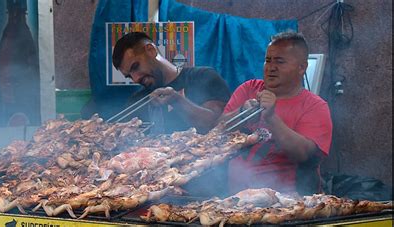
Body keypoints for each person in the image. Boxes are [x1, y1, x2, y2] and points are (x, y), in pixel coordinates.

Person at [221, 31, 333, 196]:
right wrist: (242, 112)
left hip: (287, 205)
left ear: (302, 67)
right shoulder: (249, 89)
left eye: (280, 62)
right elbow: (219, 129)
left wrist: (272, 118)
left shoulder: (315, 106)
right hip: (236, 201)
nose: (271, 67)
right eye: (268, 60)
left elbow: (307, 156)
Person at [112, 32, 231, 134]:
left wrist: (177, 100)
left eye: (135, 66)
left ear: (151, 50)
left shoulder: (202, 77)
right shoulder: (136, 102)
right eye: (129, 76)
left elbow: (219, 125)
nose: (136, 78)